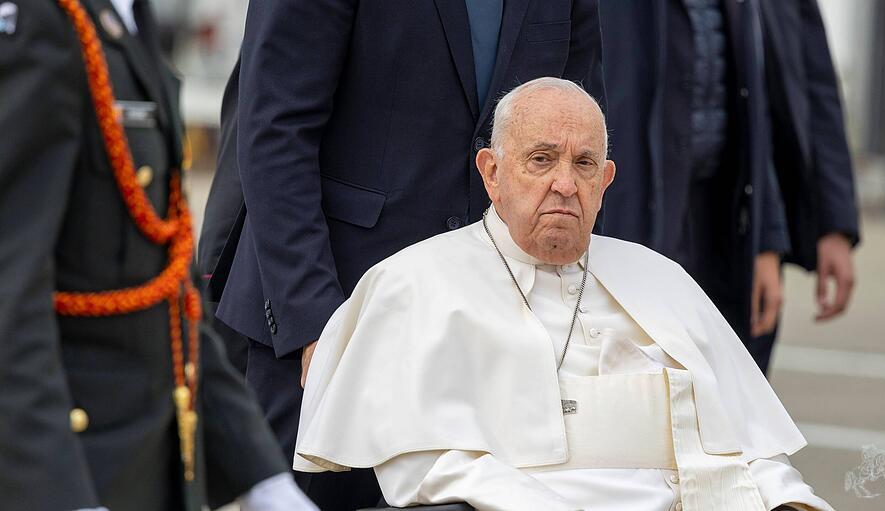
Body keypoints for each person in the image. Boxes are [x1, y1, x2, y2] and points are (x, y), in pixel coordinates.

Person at [293, 78, 833, 511]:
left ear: (607, 180)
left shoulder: (663, 280)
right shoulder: (413, 284)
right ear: (492, 172)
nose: (565, 185)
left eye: (584, 164)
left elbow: (749, 447)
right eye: (541, 159)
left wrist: (789, 499)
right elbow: (427, 466)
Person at [205, 1, 604, 508]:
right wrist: (320, 329)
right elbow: (274, 132)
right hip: (331, 323)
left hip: (491, 338)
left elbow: (586, 133)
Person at [0, 1, 315, 509]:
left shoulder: (123, 16)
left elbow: (171, 298)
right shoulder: (37, 23)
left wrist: (262, 478)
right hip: (68, 468)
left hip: (149, 469)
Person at [597, 0, 790, 365]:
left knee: (724, 387)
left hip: (721, 219)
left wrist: (765, 241)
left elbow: (754, 108)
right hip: (629, 215)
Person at [756, 0, 860, 371]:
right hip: (654, 214)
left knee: (741, 402)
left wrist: (835, 224)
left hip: (753, 223)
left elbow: (817, 88)